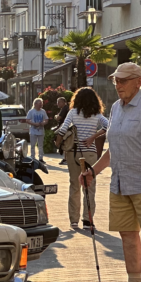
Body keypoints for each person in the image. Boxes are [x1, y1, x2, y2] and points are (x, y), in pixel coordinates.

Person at [80, 63, 141, 282]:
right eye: (115, 81)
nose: (118, 85)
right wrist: (93, 171)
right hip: (120, 183)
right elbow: (113, 149)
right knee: (127, 234)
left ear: (138, 81)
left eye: (123, 80)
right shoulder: (115, 109)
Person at [55, 87, 109, 229]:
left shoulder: (73, 112)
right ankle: (87, 220)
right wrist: (93, 137)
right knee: (89, 187)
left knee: (74, 185)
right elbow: (109, 126)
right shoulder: (97, 114)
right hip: (90, 153)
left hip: (74, 153)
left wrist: (58, 143)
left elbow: (62, 129)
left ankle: (74, 220)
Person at [25, 98, 49, 163]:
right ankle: (32, 157)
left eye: (41, 103)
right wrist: (34, 124)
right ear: (35, 104)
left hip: (41, 131)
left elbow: (46, 120)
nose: (41, 105)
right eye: (39, 103)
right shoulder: (31, 111)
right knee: (32, 145)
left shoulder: (43, 111)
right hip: (33, 131)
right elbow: (27, 120)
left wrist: (43, 123)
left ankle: (41, 158)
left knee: (40, 145)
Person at [55, 97, 70, 164]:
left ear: (63, 102)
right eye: (57, 102)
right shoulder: (64, 108)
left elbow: (58, 118)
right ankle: (65, 158)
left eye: (59, 102)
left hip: (65, 128)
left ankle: (66, 159)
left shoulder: (64, 108)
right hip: (65, 127)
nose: (57, 104)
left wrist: (56, 116)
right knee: (65, 142)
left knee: (65, 142)